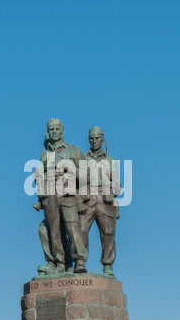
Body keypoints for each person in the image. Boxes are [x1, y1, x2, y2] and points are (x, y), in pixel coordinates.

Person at [34, 118, 88, 275]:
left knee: (72, 227)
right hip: (50, 196)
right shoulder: (44, 153)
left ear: (63, 132)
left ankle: (79, 261)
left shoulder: (74, 150)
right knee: (54, 230)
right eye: (51, 129)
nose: (54, 132)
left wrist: (67, 170)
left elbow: (86, 175)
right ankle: (60, 263)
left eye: (57, 129)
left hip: (68, 194)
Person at [79, 126, 121, 277]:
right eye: (91, 138)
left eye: (97, 138)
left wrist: (112, 184)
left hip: (105, 199)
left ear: (103, 139)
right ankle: (80, 261)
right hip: (87, 198)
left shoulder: (112, 161)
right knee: (81, 230)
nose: (94, 141)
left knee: (108, 233)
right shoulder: (82, 158)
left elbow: (118, 188)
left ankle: (108, 266)